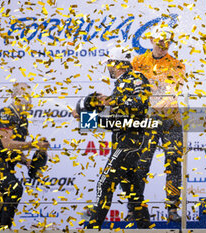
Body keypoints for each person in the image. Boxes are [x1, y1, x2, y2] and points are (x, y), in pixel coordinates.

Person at [75, 47, 153, 229]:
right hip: (123, 142)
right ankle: (145, 228)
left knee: (105, 184)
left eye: (110, 64)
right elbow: (115, 121)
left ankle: (92, 228)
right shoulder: (119, 85)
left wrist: (111, 101)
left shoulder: (136, 78)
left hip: (130, 143)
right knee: (133, 192)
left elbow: (139, 105)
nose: (108, 68)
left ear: (118, 64)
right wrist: (85, 115)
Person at [121, 24, 186, 222]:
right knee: (140, 165)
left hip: (170, 119)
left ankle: (172, 208)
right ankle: (134, 209)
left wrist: (151, 95)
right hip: (146, 120)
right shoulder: (138, 62)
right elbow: (129, 88)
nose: (163, 47)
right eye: (159, 43)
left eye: (167, 44)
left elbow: (171, 91)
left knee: (174, 163)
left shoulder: (177, 64)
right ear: (151, 41)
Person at [0, 82, 50, 229]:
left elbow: (16, 149)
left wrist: (28, 162)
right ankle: (4, 228)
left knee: (2, 198)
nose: (26, 98)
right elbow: (7, 144)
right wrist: (33, 145)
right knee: (15, 188)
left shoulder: (23, 119)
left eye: (28, 95)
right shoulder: (6, 114)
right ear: (13, 96)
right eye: (21, 94)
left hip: (7, 166)